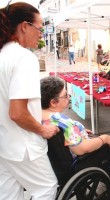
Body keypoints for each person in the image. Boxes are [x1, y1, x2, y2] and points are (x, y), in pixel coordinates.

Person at [0, 2, 60, 199]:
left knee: (9, 194)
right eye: (39, 28)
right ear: (24, 26)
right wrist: (43, 129)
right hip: (23, 146)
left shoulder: (3, 55)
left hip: (5, 144)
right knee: (47, 188)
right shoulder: (23, 57)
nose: (41, 33)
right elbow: (17, 113)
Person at [40, 76, 110, 189]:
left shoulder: (40, 117)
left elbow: (66, 135)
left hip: (56, 163)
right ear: (53, 102)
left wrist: (78, 130)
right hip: (76, 163)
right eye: (65, 95)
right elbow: (81, 149)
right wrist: (104, 138)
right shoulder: (62, 122)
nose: (68, 96)